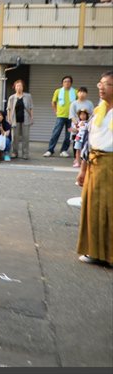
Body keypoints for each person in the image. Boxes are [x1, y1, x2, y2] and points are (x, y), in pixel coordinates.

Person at [75, 71, 113, 266]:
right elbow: (87, 143)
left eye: (106, 84)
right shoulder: (98, 110)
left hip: (110, 165)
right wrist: (82, 169)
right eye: (100, 83)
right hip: (93, 163)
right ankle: (94, 251)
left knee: (110, 210)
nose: (101, 87)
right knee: (92, 208)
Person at [45, 76, 76, 157]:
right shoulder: (58, 91)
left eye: (68, 81)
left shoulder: (75, 92)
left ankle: (64, 150)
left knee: (68, 135)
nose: (67, 83)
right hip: (61, 117)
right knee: (56, 133)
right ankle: (50, 150)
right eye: (65, 81)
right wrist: (56, 111)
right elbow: (53, 102)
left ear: (71, 83)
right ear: (62, 83)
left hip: (71, 118)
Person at [6, 80, 33, 160]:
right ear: (14, 87)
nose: (19, 87)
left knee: (26, 137)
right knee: (15, 137)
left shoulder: (28, 96)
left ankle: (25, 154)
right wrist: (9, 118)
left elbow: (31, 107)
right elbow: (9, 109)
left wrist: (32, 117)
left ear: (23, 87)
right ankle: (14, 152)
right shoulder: (12, 97)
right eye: (17, 86)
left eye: (20, 86)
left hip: (26, 119)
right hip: (15, 119)